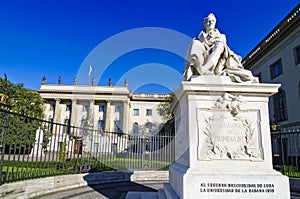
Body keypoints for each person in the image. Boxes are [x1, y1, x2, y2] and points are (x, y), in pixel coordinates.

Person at [184, 13, 258, 83]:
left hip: (217, 57)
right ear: (204, 24)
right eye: (208, 21)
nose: (210, 22)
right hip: (203, 56)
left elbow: (225, 50)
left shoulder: (221, 36)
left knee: (220, 45)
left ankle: (205, 69)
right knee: (195, 43)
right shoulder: (198, 39)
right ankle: (203, 70)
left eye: (212, 21)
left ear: (215, 23)